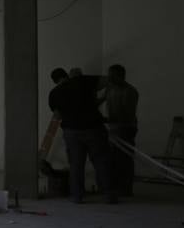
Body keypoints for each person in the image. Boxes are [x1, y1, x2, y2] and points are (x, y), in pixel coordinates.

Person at [48, 66, 115, 204]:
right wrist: (102, 97)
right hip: (94, 129)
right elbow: (109, 80)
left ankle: (77, 196)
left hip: (71, 132)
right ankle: (108, 195)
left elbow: (58, 114)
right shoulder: (83, 81)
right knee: (101, 162)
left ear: (55, 81)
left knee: (76, 165)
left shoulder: (54, 93)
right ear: (67, 75)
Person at [99, 63, 140, 196]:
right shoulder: (110, 88)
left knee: (125, 159)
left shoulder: (129, 91)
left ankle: (126, 189)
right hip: (114, 128)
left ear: (120, 76)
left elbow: (126, 115)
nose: (109, 78)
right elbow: (100, 100)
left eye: (112, 75)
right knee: (113, 159)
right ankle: (116, 187)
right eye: (108, 75)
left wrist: (106, 120)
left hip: (126, 129)